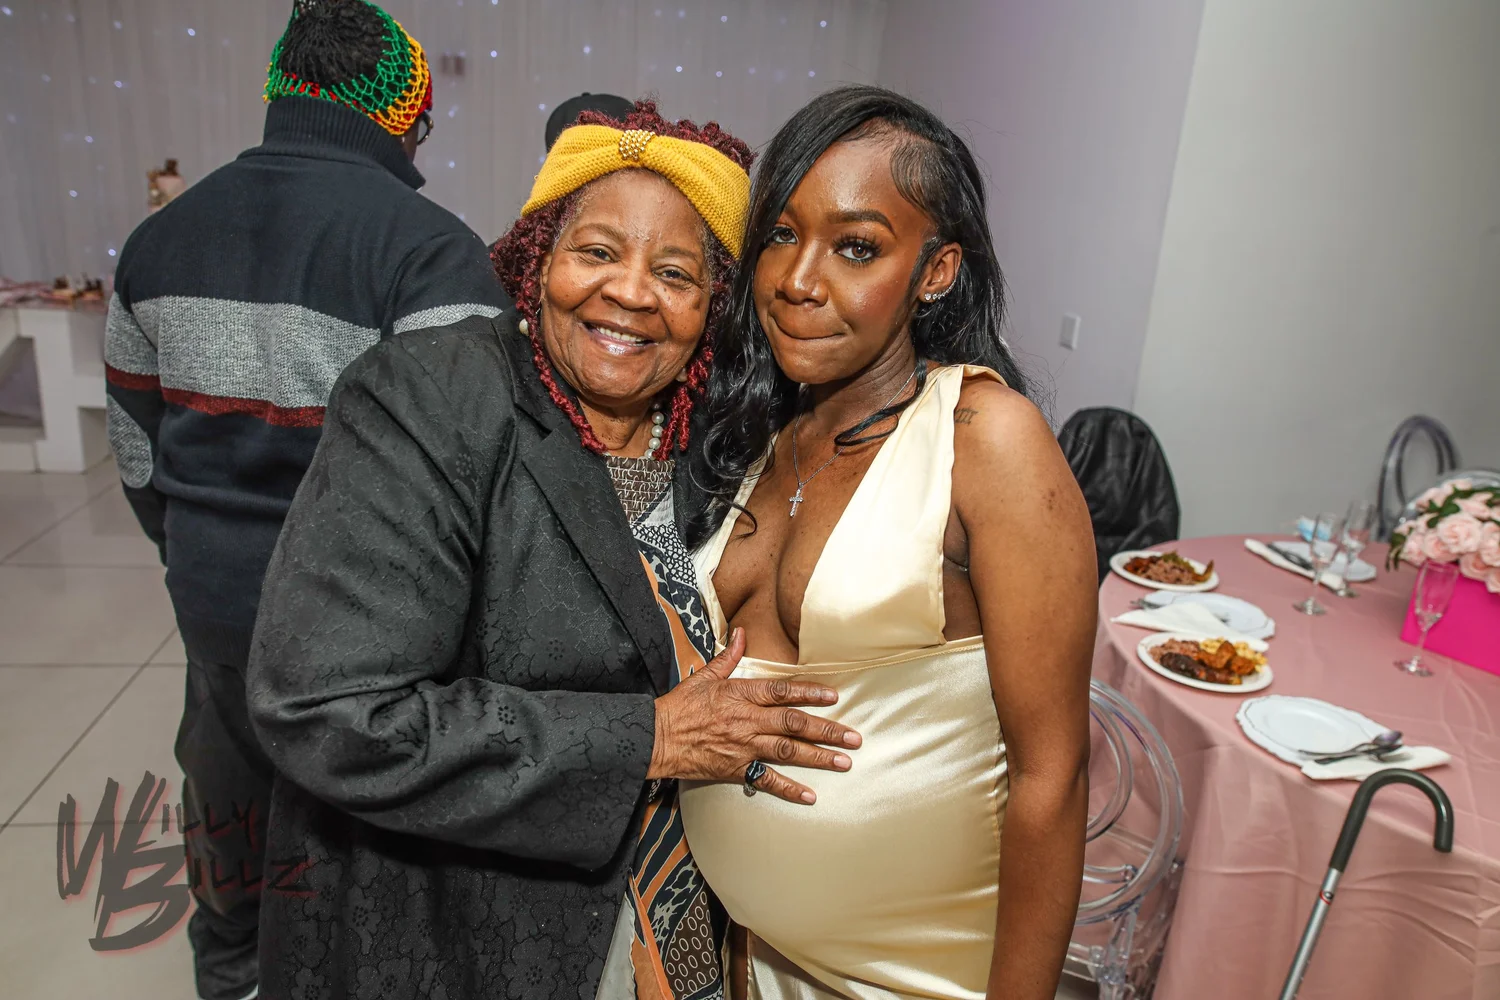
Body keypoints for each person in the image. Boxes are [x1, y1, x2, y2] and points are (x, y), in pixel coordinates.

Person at [246, 101, 862, 1000]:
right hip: (463, 922)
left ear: (714, 305)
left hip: (678, 910)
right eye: (597, 252)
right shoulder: (426, 401)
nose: (632, 293)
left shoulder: (713, 434)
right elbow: (330, 710)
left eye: (676, 273)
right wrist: (651, 739)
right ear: (539, 261)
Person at [103, 3, 504, 998]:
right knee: (364, 831)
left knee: (228, 798)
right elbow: (470, 473)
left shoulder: (159, 241)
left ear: (281, 90)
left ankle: (232, 970)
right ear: (404, 115)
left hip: (215, 601)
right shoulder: (434, 252)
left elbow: (135, 449)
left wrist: (199, 553)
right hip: (371, 624)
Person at [680, 85, 1097, 1000]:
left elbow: (1052, 775)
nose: (799, 280)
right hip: (751, 960)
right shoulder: (759, 436)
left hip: (924, 978)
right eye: (781, 235)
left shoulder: (983, 438)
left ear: (936, 271)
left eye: (857, 248)